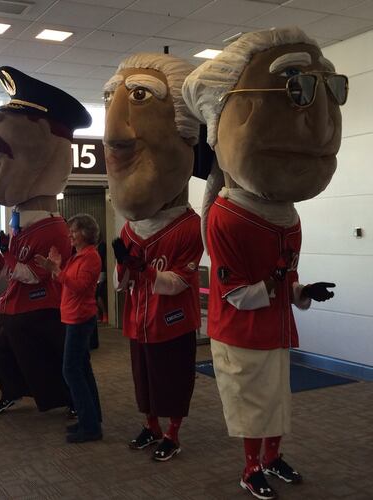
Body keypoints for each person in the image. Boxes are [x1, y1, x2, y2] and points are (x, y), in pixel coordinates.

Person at [182, 27, 345, 499]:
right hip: (242, 332)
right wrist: (278, 288)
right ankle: (251, 466)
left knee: (277, 401)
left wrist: (300, 291)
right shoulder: (227, 218)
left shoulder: (287, 216)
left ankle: (273, 457)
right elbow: (234, 292)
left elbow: (283, 275)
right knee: (251, 403)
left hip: (275, 329)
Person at [103, 53, 203, 462]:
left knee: (173, 379)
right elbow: (122, 279)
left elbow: (182, 278)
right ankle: (150, 425)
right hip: (138, 319)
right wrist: (124, 271)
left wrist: (149, 272)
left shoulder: (188, 226)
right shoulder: (130, 228)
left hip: (172, 322)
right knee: (143, 379)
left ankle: (173, 432)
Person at [0, 66, 92, 415]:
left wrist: (8, 260)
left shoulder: (54, 229)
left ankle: (71, 399)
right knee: (6, 351)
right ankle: (12, 390)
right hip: (14, 306)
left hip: (42, 308)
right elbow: (17, 268)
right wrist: (1, 257)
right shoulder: (21, 224)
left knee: (50, 356)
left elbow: (38, 273)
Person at [35, 213, 103, 443]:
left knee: (70, 371)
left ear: (85, 233)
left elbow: (80, 286)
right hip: (74, 317)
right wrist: (54, 269)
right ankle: (90, 421)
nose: (70, 235)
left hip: (80, 319)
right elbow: (67, 283)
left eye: (73, 231)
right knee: (82, 370)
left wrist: (58, 271)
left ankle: (90, 426)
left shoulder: (90, 258)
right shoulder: (79, 256)